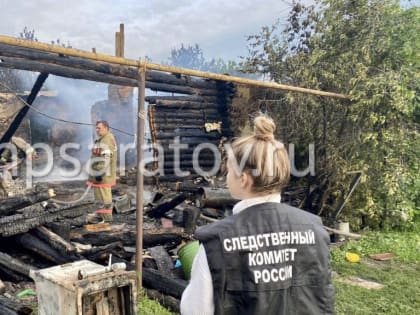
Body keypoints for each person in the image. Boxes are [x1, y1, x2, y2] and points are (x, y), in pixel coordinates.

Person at [180, 114, 334, 315]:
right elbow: (323, 296)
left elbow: (195, 310)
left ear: (244, 179)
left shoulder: (216, 243)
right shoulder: (316, 230)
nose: (226, 176)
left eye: (228, 171)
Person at [87, 120, 117, 223]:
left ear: (106, 128)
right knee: (99, 197)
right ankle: (101, 216)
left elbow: (106, 158)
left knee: (104, 197)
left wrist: (100, 171)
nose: (97, 130)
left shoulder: (107, 140)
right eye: (96, 128)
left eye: (99, 128)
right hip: (99, 175)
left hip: (103, 175)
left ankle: (107, 219)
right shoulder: (102, 139)